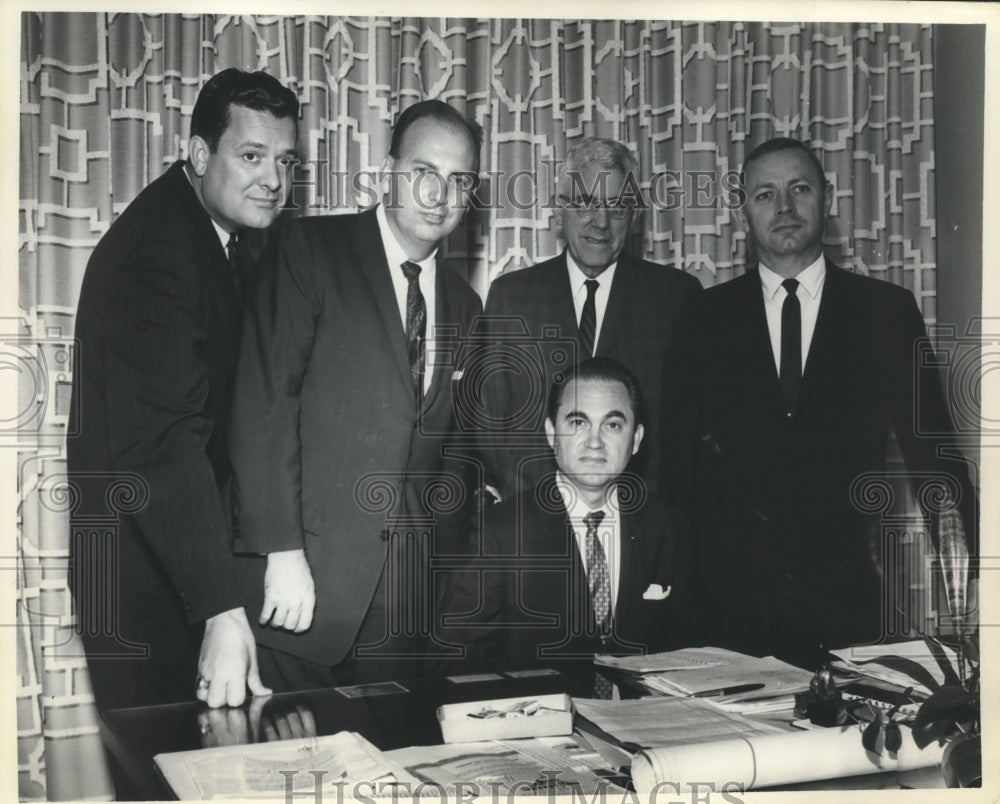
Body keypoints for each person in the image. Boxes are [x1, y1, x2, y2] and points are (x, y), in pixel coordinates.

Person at [660, 137, 977, 665]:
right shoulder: (702, 318)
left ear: (826, 200)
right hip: (723, 622)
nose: (784, 207)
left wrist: (970, 597)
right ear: (744, 213)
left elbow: (936, 465)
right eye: (765, 195)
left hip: (847, 609)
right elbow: (674, 473)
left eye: (799, 189)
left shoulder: (886, 313)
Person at [229, 100, 484, 690]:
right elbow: (263, 406)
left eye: (459, 180)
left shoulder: (466, 306)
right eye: (424, 172)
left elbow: (448, 463)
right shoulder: (309, 250)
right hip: (299, 593)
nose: (439, 195)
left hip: (403, 616)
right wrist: (282, 553)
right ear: (388, 170)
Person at [67, 68, 299, 710]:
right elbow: (162, 445)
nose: (273, 179)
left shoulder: (217, 239)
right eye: (251, 156)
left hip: (171, 575)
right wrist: (222, 610)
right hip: (142, 592)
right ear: (200, 154)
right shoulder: (160, 252)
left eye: (285, 159)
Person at [437, 358, 694, 677]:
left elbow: (689, 652)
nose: (595, 442)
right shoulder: (499, 532)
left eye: (612, 425)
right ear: (551, 433)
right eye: (578, 423)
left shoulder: (667, 528)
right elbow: (457, 659)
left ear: (637, 439)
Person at [479, 137, 701, 500]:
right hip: (536, 523)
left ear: (634, 218)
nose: (601, 222)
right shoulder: (511, 297)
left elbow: (686, 431)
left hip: (641, 526)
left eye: (616, 207)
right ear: (559, 209)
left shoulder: (676, 298)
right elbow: (491, 426)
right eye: (585, 204)